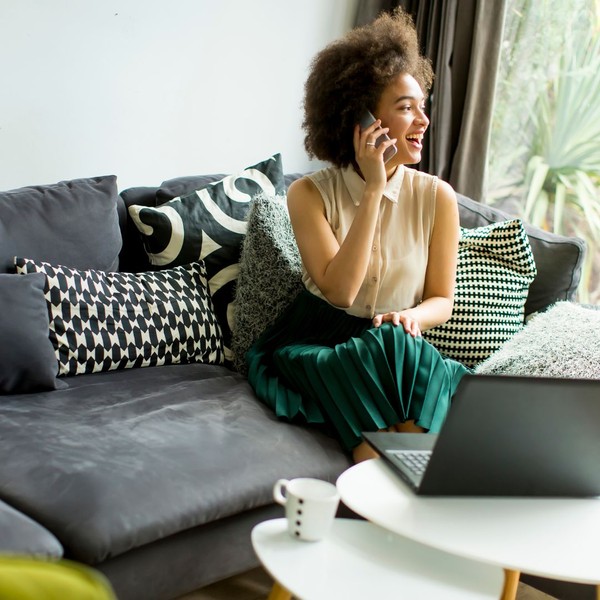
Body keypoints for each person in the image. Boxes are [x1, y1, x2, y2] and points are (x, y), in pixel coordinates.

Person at [246, 8, 469, 463]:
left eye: (422, 106)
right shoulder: (308, 194)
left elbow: (441, 299)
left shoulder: (439, 198)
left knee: (396, 345)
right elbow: (342, 291)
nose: (423, 121)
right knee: (378, 354)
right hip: (318, 341)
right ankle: (399, 498)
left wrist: (412, 319)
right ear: (361, 120)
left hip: (397, 339)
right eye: (406, 108)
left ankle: (410, 492)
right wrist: (373, 190)